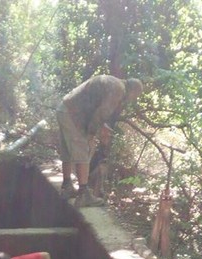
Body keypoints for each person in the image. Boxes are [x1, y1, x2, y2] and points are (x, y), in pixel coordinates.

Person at [56, 75, 143, 207]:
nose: (133, 100)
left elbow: (96, 107)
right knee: (84, 150)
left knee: (68, 150)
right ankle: (83, 194)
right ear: (133, 91)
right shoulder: (119, 90)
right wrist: (91, 135)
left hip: (64, 109)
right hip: (74, 114)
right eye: (135, 96)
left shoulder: (114, 82)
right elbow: (102, 113)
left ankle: (67, 186)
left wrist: (102, 126)